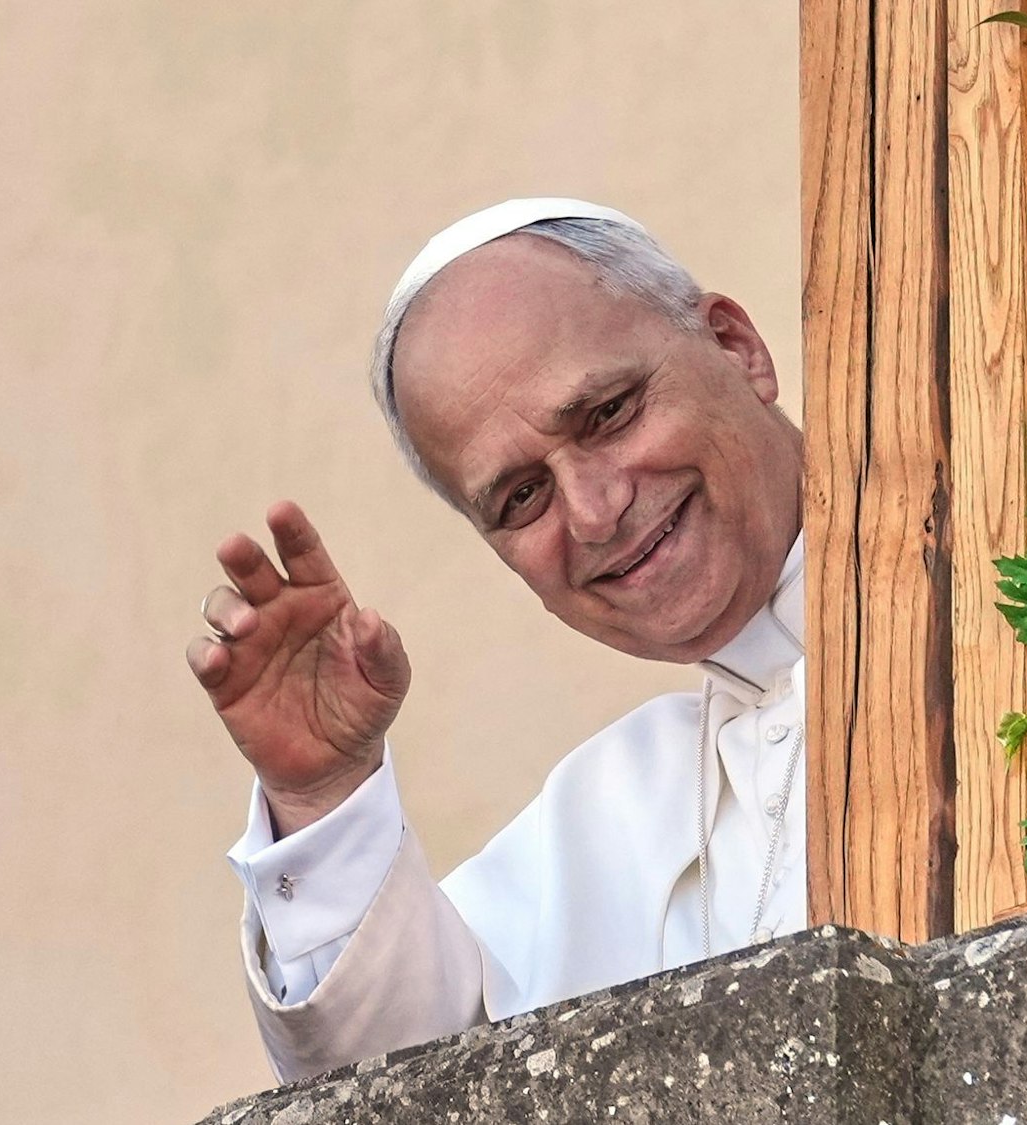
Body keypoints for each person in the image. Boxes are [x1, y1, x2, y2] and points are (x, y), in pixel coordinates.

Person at [184, 199, 807, 1083]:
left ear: (737, 347)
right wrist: (322, 795)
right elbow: (409, 1087)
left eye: (607, 414)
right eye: (521, 498)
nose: (595, 513)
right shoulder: (613, 806)